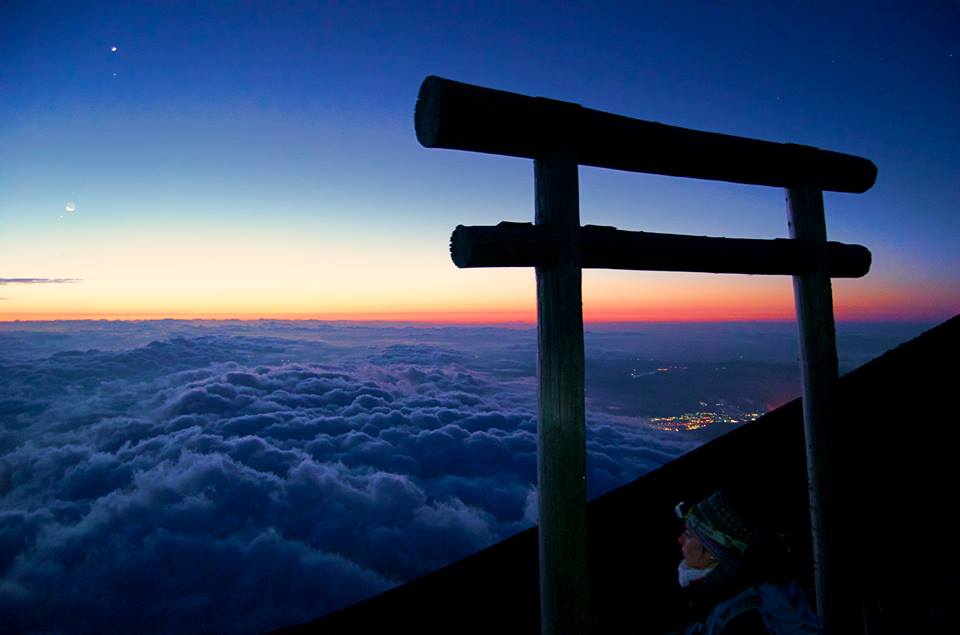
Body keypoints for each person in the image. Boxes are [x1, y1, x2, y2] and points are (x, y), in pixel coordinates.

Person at [671, 491, 821, 634]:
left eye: (689, 534)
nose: (680, 539)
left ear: (714, 553)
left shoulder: (743, 616)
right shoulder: (720, 592)